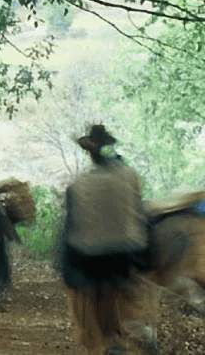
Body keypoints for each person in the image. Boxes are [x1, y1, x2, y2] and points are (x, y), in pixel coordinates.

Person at [61, 124, 150, 355]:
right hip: (125, 255)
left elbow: (73, 227)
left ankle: (93, 329)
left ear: (91, 154)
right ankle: (135, 328)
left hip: (89, 258)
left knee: (65, 246)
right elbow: (138, 214)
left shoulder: (78, 185)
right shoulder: (130, 176)